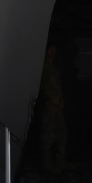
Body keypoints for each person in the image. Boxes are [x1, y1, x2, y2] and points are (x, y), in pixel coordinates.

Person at [35, 45, 67, 173]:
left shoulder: (53, 67)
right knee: (48, 136)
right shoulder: (44, 68)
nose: (53, 53)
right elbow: (45, 86)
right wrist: (55, 100)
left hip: (56, 105)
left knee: (62, 133)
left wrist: (60, 100)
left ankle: (59, 162)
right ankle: (47, 165)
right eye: (51, 50)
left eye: (54, 50)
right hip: (50, 106)